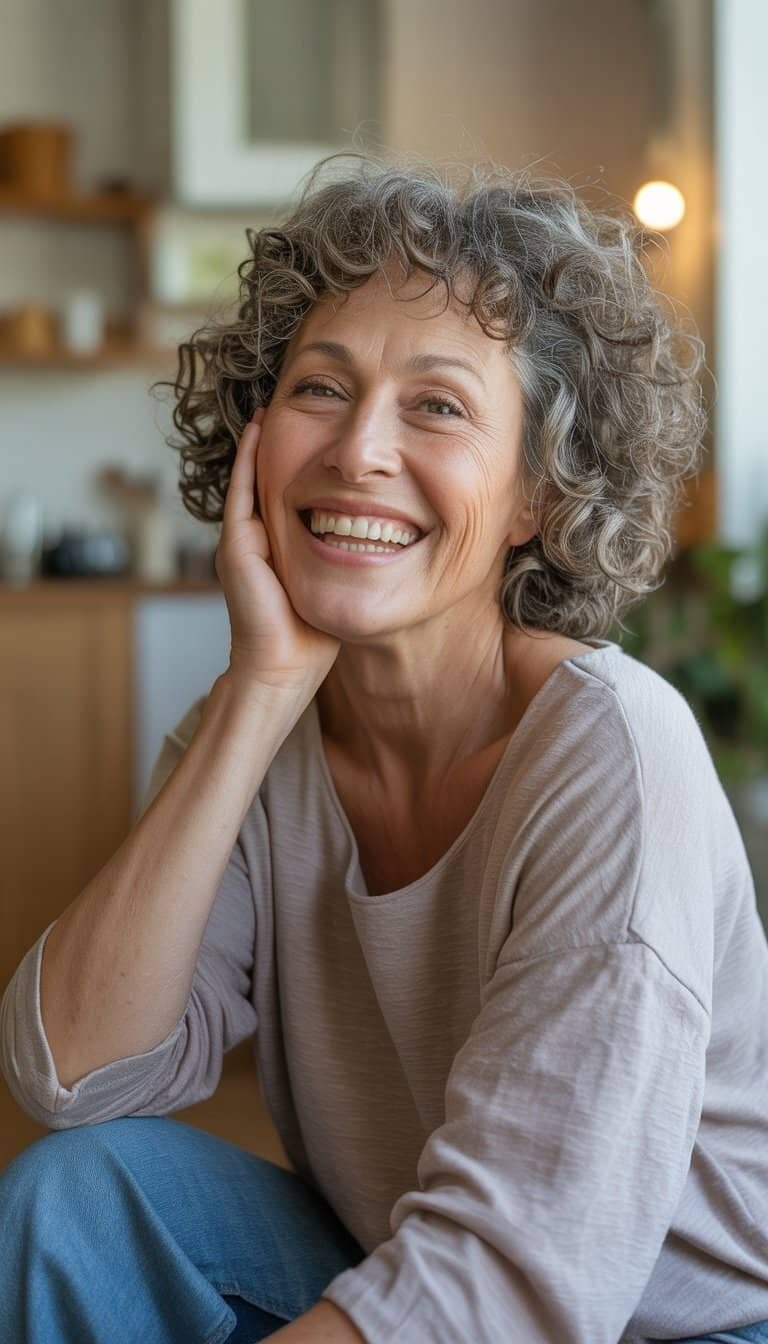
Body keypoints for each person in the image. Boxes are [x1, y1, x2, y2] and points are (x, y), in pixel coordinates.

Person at [1, 150, 768, 1344]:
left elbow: (516, 1278)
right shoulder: (256, 735)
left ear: (537, 495)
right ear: (255, 443)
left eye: (439, 405)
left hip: (665, 1327)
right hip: (404, 1256)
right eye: (320, 388)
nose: (359, 450)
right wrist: (258, 694)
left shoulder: (613, 753)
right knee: (78, 1202)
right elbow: (75, 1076)